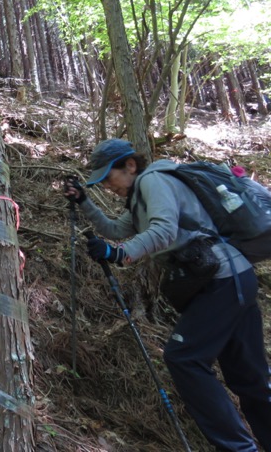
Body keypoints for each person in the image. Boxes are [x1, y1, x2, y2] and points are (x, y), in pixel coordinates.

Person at [64, 139, 271, 451]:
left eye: (109, 177)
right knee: (248, 377)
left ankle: (238, 448)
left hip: (222, 280)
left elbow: (163, 231)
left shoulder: (154, 180)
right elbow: (117, 229)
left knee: (184, 358)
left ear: (130, 166)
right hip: (232, 278)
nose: (107, 186)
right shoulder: (139, 198)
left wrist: (118, 255)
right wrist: (84, 202)